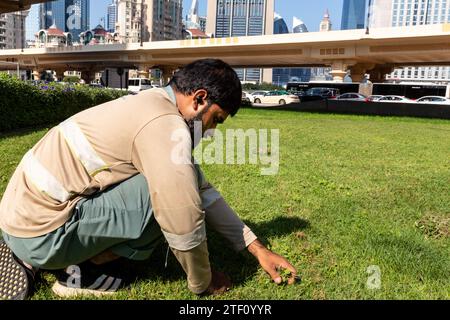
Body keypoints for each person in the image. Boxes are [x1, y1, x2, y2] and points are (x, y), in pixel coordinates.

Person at [0, 59, 297, 300]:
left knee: (180, 181)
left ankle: (44, 255)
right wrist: (203, 282)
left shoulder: (152, 102)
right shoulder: (164, 125)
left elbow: (201, 187)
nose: (211, 132)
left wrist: (256, 248)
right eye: (215, 120)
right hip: (42, 235)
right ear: (200, 99)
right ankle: (83, 274)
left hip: (18, 218)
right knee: (170, 196)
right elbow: (184, 216)